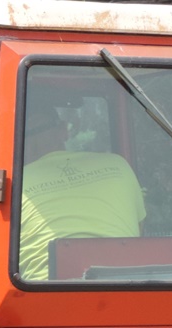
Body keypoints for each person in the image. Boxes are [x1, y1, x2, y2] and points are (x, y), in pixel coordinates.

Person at [17, 104, 146, 281]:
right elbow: (139, 230)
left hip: (41, 290)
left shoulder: (15, 183)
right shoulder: (118, 165)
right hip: (123, 286)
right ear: (63, 131)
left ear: (17, 142)